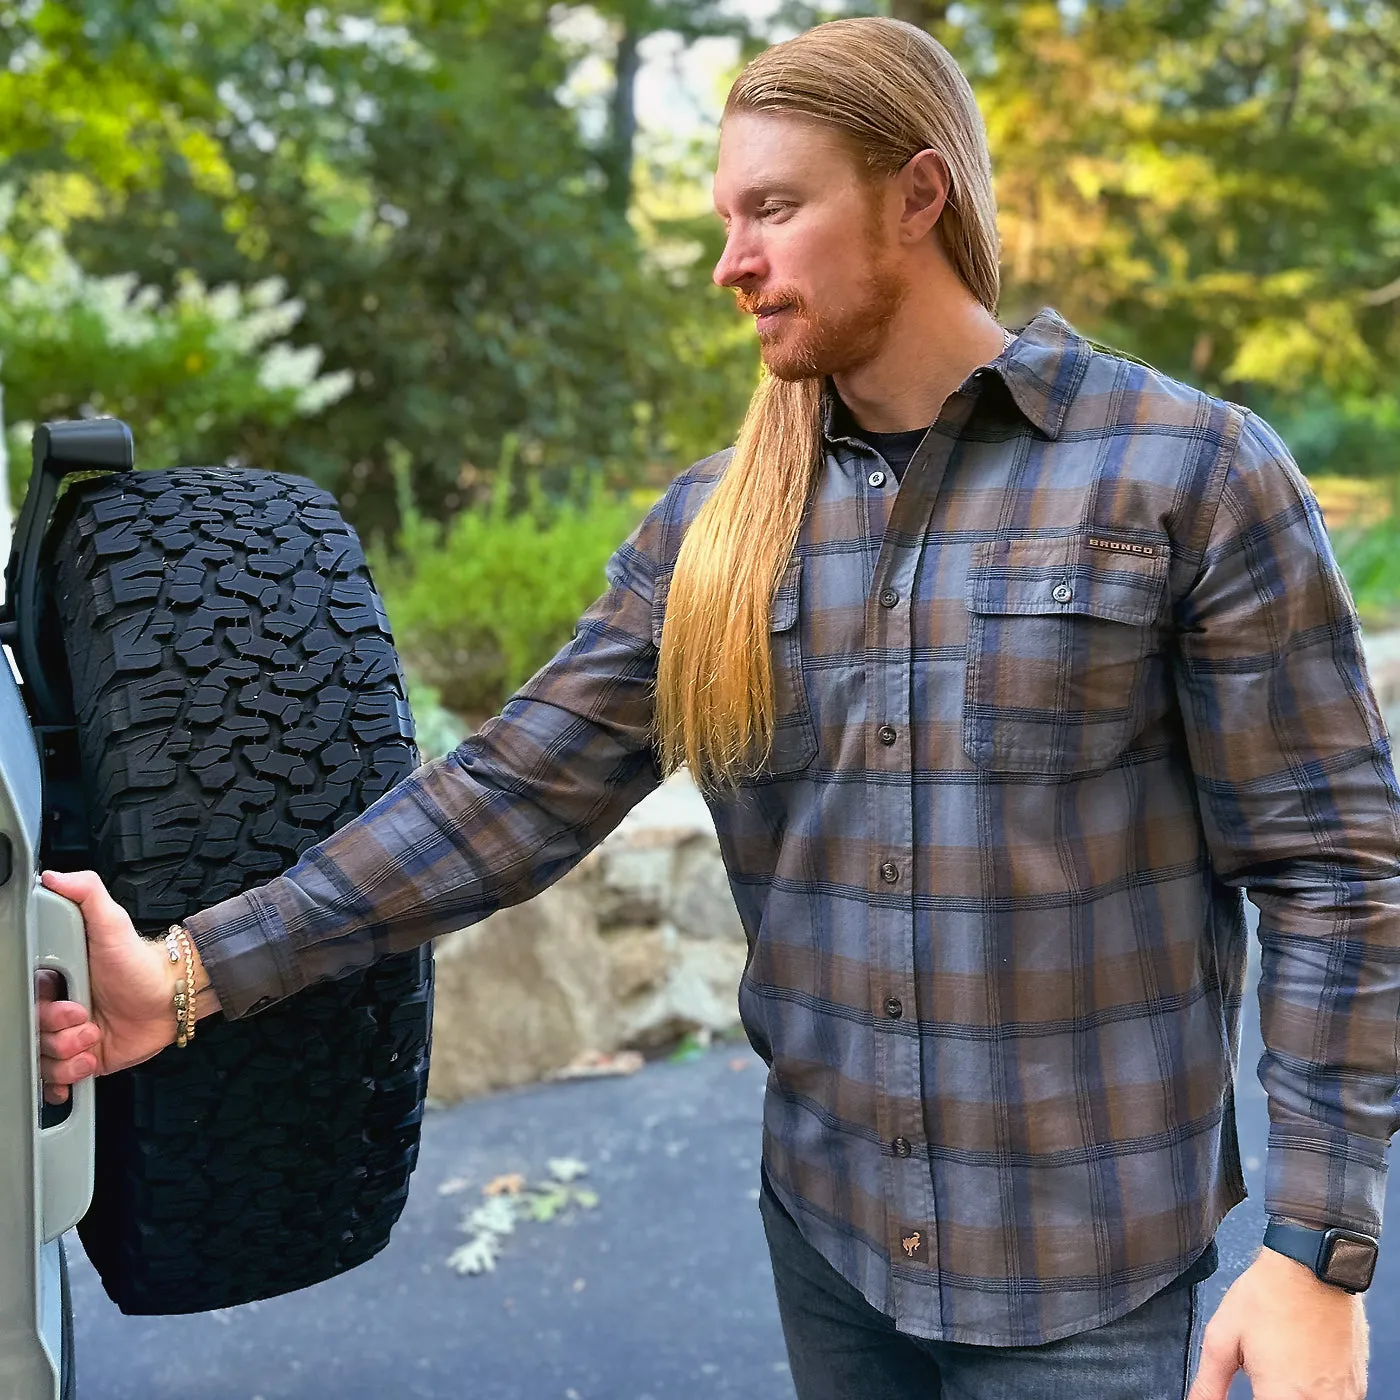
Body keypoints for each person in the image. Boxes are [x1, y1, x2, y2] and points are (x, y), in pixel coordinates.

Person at [37, 16, 1393, 1400]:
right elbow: (510, 792)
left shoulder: (1186, 473)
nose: (729, 261)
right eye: (724, 216)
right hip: (829, 1248)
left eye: (773, 209)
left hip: (1089, 1286)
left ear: (918, 196)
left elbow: (1338, 871)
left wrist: (1316, 1252)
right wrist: (193, 974)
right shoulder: (714, 530)